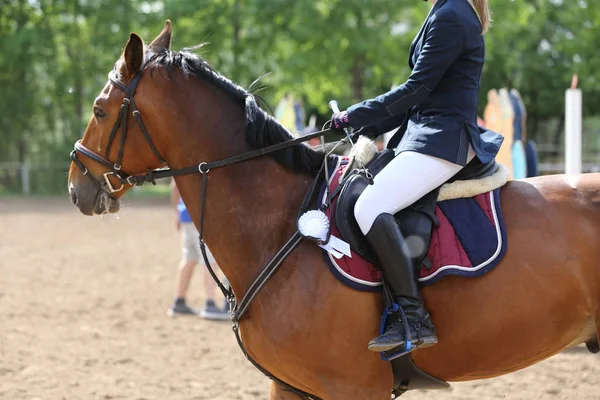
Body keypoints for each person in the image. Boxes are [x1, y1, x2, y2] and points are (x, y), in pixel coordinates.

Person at [328, 0, 502, 354]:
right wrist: (367, 127)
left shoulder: (451, 14)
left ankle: (414, 316)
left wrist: (354, 114)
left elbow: (416, 90)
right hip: (426, 133)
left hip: (444, 139)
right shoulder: (445, 11)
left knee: (370, 206)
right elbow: (418, 100)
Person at [168, 180, 229, 320]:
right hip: (202, 217)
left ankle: (179, 301)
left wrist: (177, 213)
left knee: (189, 259)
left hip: (185, 215)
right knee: (209, 260)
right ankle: (210, 303)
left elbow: (174, 186)